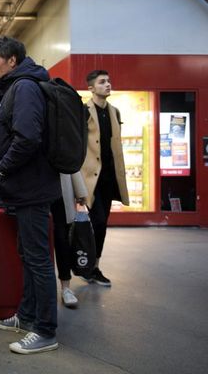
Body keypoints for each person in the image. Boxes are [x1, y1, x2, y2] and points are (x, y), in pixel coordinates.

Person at [0, 36, 60, 354]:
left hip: (30, 187)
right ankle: (28, 316)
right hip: (23, 188)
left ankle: (45, 331)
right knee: (28, 257)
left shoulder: (26, 87)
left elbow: (28, 138)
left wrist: (3, 169)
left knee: (39, 260)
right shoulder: (17, 86)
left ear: (12, 60)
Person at [80, 70, 129, 286]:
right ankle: (86, 264)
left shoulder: (114, 112)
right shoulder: (83, 112)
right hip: (90, 179)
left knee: (102, 224)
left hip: (109, 178)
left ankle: (94, 266)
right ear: (91, 88)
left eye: (108, 81)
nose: (107, 84)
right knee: (94, 222)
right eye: (102, 82)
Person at [50, 173, 88, 307]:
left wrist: (80, 190)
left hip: (60, 191)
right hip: (36, 190)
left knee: (62, 242)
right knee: (37, 244)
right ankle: (39, 290)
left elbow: (70, 159)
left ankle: (66, 287)